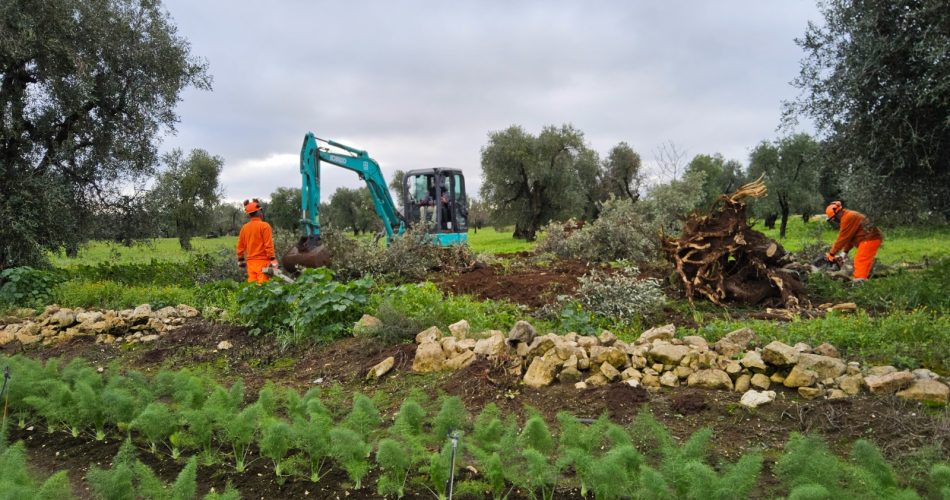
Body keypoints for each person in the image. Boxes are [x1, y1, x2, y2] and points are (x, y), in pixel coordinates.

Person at [825, 201, 884, 282]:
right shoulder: (848, 216)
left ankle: (858, 282)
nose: (834, 221)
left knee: (860, 260)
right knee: (864, 261)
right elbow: (850, 237)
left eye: (833, 219)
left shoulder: (848, 217)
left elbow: (842, 238)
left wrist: (831, 254)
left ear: (836, 215)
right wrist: (844, 253)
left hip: (870, 238)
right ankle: (863, 280)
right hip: (869, 238)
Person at [237, 199, 278, 283]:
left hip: (250, 264)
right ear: (258, 212)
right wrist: (273, 259)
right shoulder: (265, 226)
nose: (262, 213)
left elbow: (240, 246)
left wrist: (240, 260)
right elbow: (268, 245)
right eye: (261, 211)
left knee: (252, 289)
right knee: (263, 289)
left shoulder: (244, 228)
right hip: (263, 262)